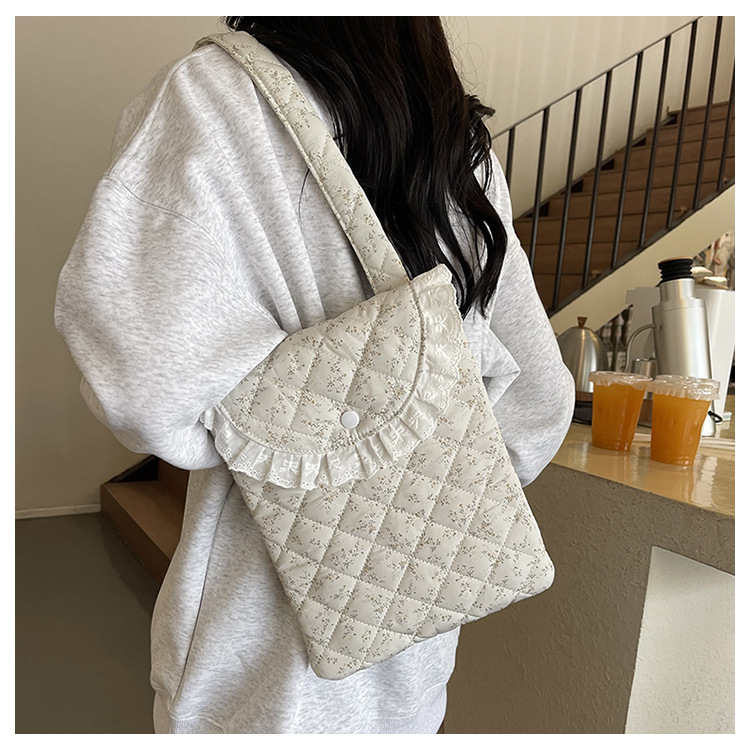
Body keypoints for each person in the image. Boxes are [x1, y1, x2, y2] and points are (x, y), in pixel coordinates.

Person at [54, 17, 575, 734]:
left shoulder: (213, 97)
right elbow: (537, 404)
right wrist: (416, 461)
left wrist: (279, 431)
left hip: (256, 671)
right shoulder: (456, 138)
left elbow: (142, 388)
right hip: (413, 647)